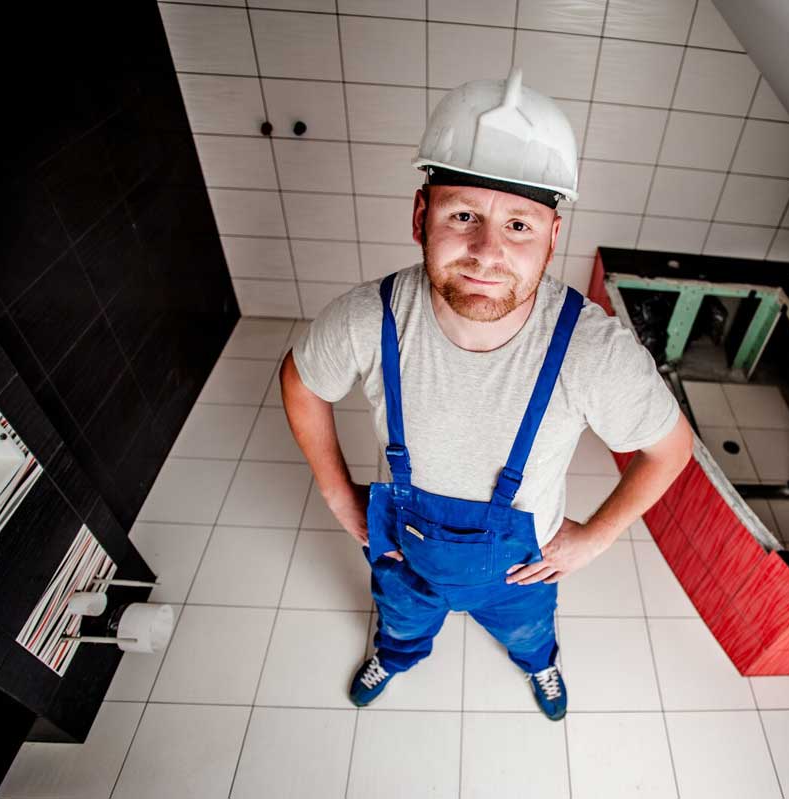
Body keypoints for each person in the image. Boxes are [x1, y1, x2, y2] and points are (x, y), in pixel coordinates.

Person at [279, 67, 692, 721]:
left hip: (521, 572)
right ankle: (398, 653)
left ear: (553, 236)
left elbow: (671, 447)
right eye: (463, 215)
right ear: (422, 216)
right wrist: (335, 490)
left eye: (520, 226)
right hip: (404, 552)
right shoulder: (371, 318)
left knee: (529, 634)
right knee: (402, 623)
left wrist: (597, 537)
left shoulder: (590, 350)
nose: (486, 251)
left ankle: (540, 664)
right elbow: (300, 380)